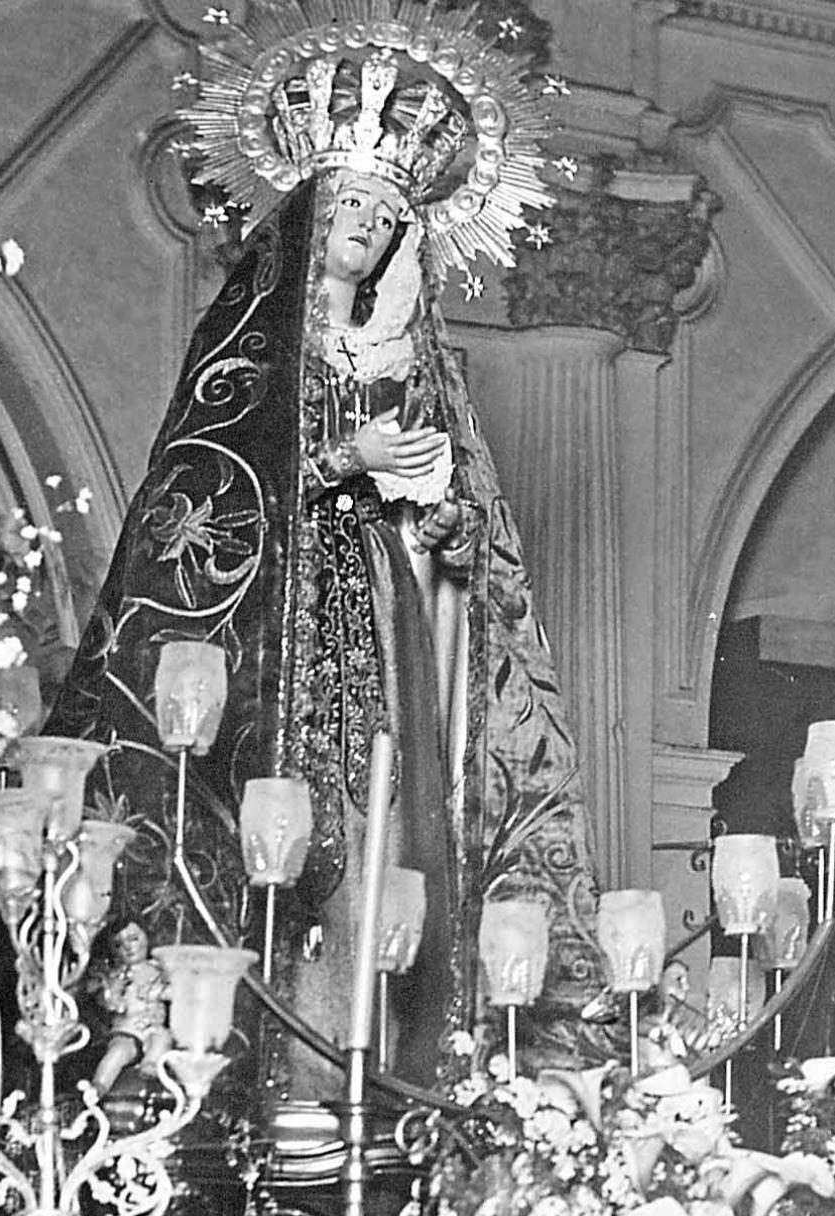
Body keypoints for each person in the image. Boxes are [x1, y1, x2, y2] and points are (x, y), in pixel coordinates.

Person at [44, 8, 606, 1101]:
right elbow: (215, 486)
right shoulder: (254, 347)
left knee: (386, 841)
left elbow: (469, 544)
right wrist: (348, 455)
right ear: (310, 215)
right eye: (351, 206)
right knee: (267, 850)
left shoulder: (412, 363)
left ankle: (375, 1083)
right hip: (269, 655)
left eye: (387, 218)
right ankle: (255, 1084)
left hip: (386, 642)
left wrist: (433, 506)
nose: (366, 229)